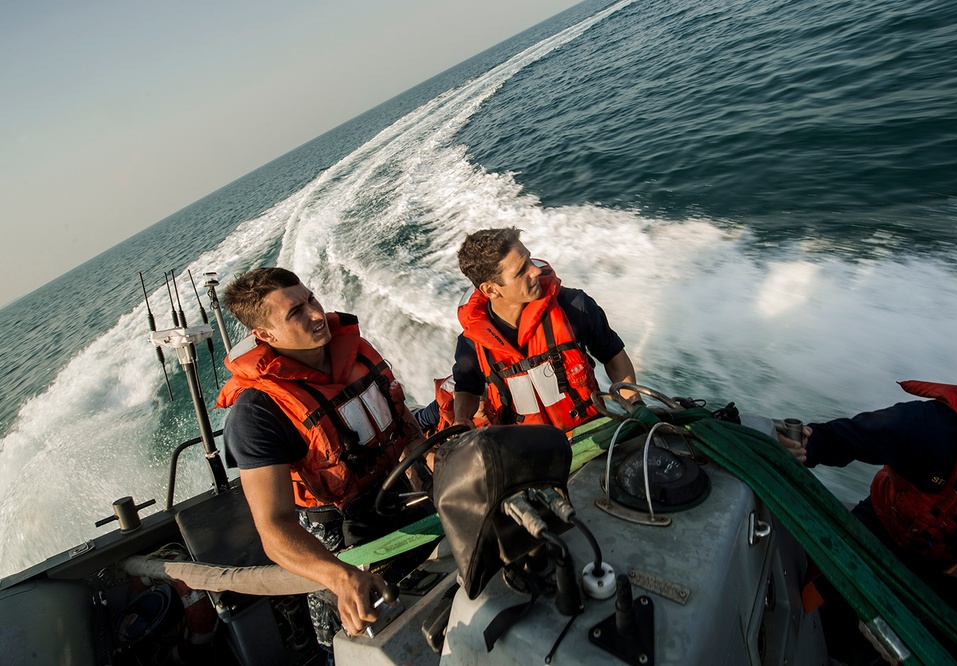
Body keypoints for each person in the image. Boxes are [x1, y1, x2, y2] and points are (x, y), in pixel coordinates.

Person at [215, 267, 428, 651]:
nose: (316, 315)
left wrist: (424, 460)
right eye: (295, 312)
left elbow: (401, 416)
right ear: (265, 335)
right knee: (362, 646)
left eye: (311, 299)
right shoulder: (257, 413)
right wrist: (340, 577)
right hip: (340, 545)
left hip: (404, 498)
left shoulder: (354, 353)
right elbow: (274, 529)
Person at [777, 364, 957, 645]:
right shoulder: (941, 428)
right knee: (808, 608)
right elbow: (859, 435)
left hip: (955, 566)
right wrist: (809, 443)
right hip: (881, 532)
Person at [451, 227, 640, 432]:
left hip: (594, 433)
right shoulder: (472, 343)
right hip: (528, 453)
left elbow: (613, 356)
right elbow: (468, 389)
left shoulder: (574, 306)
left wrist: (636, 406)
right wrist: (461, 418)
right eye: (522, 270)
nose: (536, 270)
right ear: (491, 290)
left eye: (530, 260)